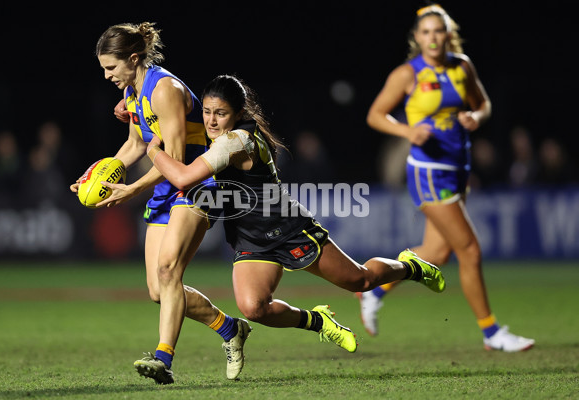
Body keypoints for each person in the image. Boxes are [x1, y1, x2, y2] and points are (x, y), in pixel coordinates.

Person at [135, 74, 446, 358]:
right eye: (207, 111)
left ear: (239, 114)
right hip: (250, 237)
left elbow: (184, 177)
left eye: (221, 113)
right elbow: (177, 120)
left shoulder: (236, 141)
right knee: (254, 308)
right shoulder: (215, 133)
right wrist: (134, 112)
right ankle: (317, 321)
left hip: (285, 228)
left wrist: (152, 149)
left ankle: (411, 267)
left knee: (360, 280)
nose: (212, 121)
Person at [70, 22, 251, 384]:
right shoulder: (134, 93)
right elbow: (137, 144)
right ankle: (229, 328)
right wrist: (99, 177)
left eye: (111, 68)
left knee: (170, 272)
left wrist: (133, 188)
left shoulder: (164, 89)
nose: (107, 76)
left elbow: (176, 158)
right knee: (158, 289)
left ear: (133, 58)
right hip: (167, 187)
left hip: (199, 184)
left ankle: (163, 359)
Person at [362, 4, 534, 352]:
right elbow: (375, 115)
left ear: (448, 33)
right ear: (417, 38)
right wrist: (409, 132)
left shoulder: (462, 66)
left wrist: (475, 116)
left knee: (437, 254)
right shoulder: (407, 74)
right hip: (428, 173)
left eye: (438, 31)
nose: (432, 38)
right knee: (469, 250)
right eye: (425, 32)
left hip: (458, 169)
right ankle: (492, 333)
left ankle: (374, 287)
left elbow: (483, 104)